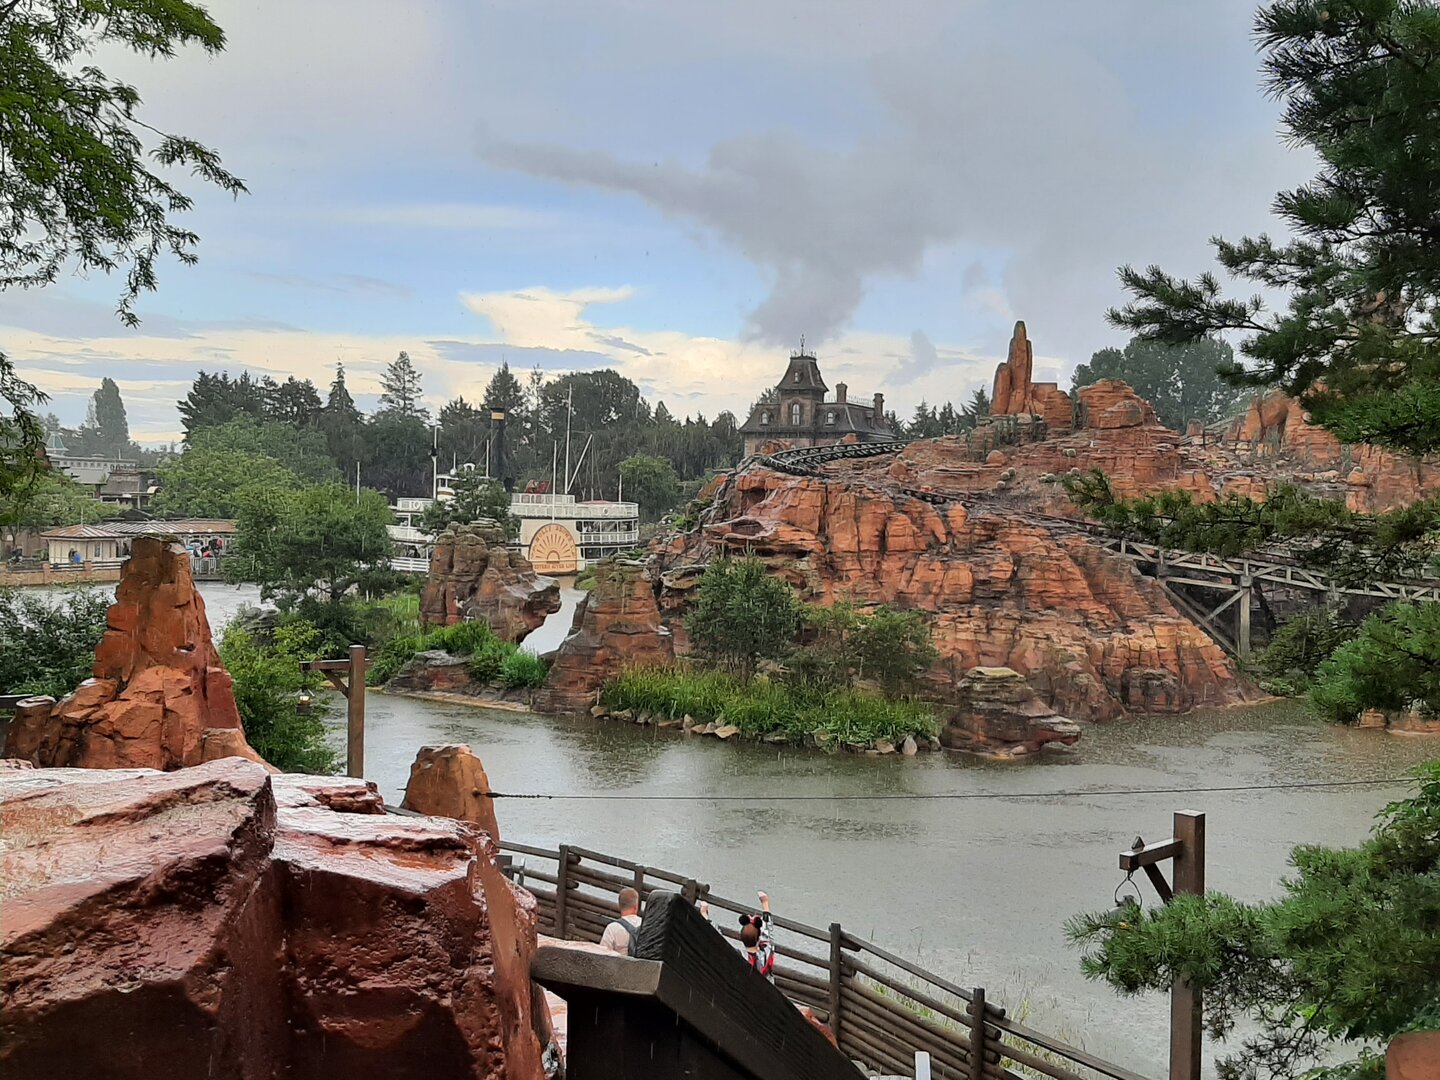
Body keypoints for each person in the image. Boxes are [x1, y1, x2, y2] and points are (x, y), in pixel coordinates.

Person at [739, 890, 775, 982]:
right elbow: (768, 932)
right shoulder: (766, 952)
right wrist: (765, 903)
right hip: (766, 988)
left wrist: (705, 915)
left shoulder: (739, 956)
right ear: (759, 938)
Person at [599, 887, 642, 956]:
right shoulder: (645, 925)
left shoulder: (612, 928)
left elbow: (602, 954)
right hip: (642, 963)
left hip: (619, 962)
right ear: (636, 907)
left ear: (620, 906)